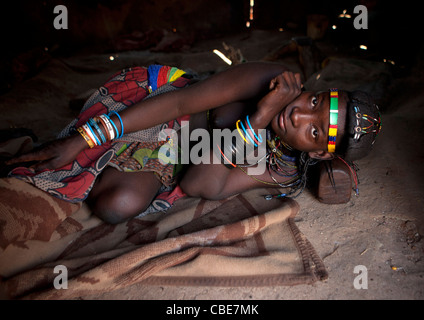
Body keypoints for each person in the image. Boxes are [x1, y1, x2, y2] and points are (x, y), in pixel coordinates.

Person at [5, 62, 381, 224]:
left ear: (317, 152)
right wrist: (83, 139)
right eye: (315, 102)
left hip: (179, 151)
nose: (298, 115)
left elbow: (200, 184)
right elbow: (181, 103)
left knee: (117, 206)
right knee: (63, 155)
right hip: (161, 101)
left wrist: (259, 119)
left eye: (314, 132)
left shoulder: (282, 169)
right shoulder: (270, 79)